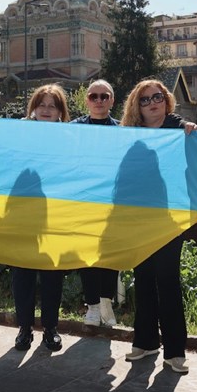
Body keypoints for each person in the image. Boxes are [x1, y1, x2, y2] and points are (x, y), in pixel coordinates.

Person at [121, 79, 197, 373]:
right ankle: (146, 341)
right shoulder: (130, 137)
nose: (153, 103)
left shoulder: (180, 130)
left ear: (166, 100)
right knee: (142, 279)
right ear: (136, 107)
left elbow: (192, 157)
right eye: (145, 99)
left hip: (168, 218)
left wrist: (191, 131)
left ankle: (175, 351)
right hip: (138, 218)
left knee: (167, 281)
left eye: (158, 97)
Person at [11, 84, 69, 352]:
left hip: (55, 215)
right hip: (21, 213)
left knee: (52, 275)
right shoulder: (19, 134)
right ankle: (24, 328)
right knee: (22, 273)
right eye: (41, 104)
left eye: (52, 106)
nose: (46, 110)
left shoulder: (71, 137)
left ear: (60, 111)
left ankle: (50, 328)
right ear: (33, 108)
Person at [70, 79, 120, 327]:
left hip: (112, 202)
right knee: (87, 253)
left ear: (112, 100)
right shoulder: (73, 129)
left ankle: (106, 303)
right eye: (93, 96)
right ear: (86, 100)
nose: (99, 101)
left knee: (110, 252)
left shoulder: (123, 130)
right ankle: (92, 306)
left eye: (104, 96)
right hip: (84, 200)